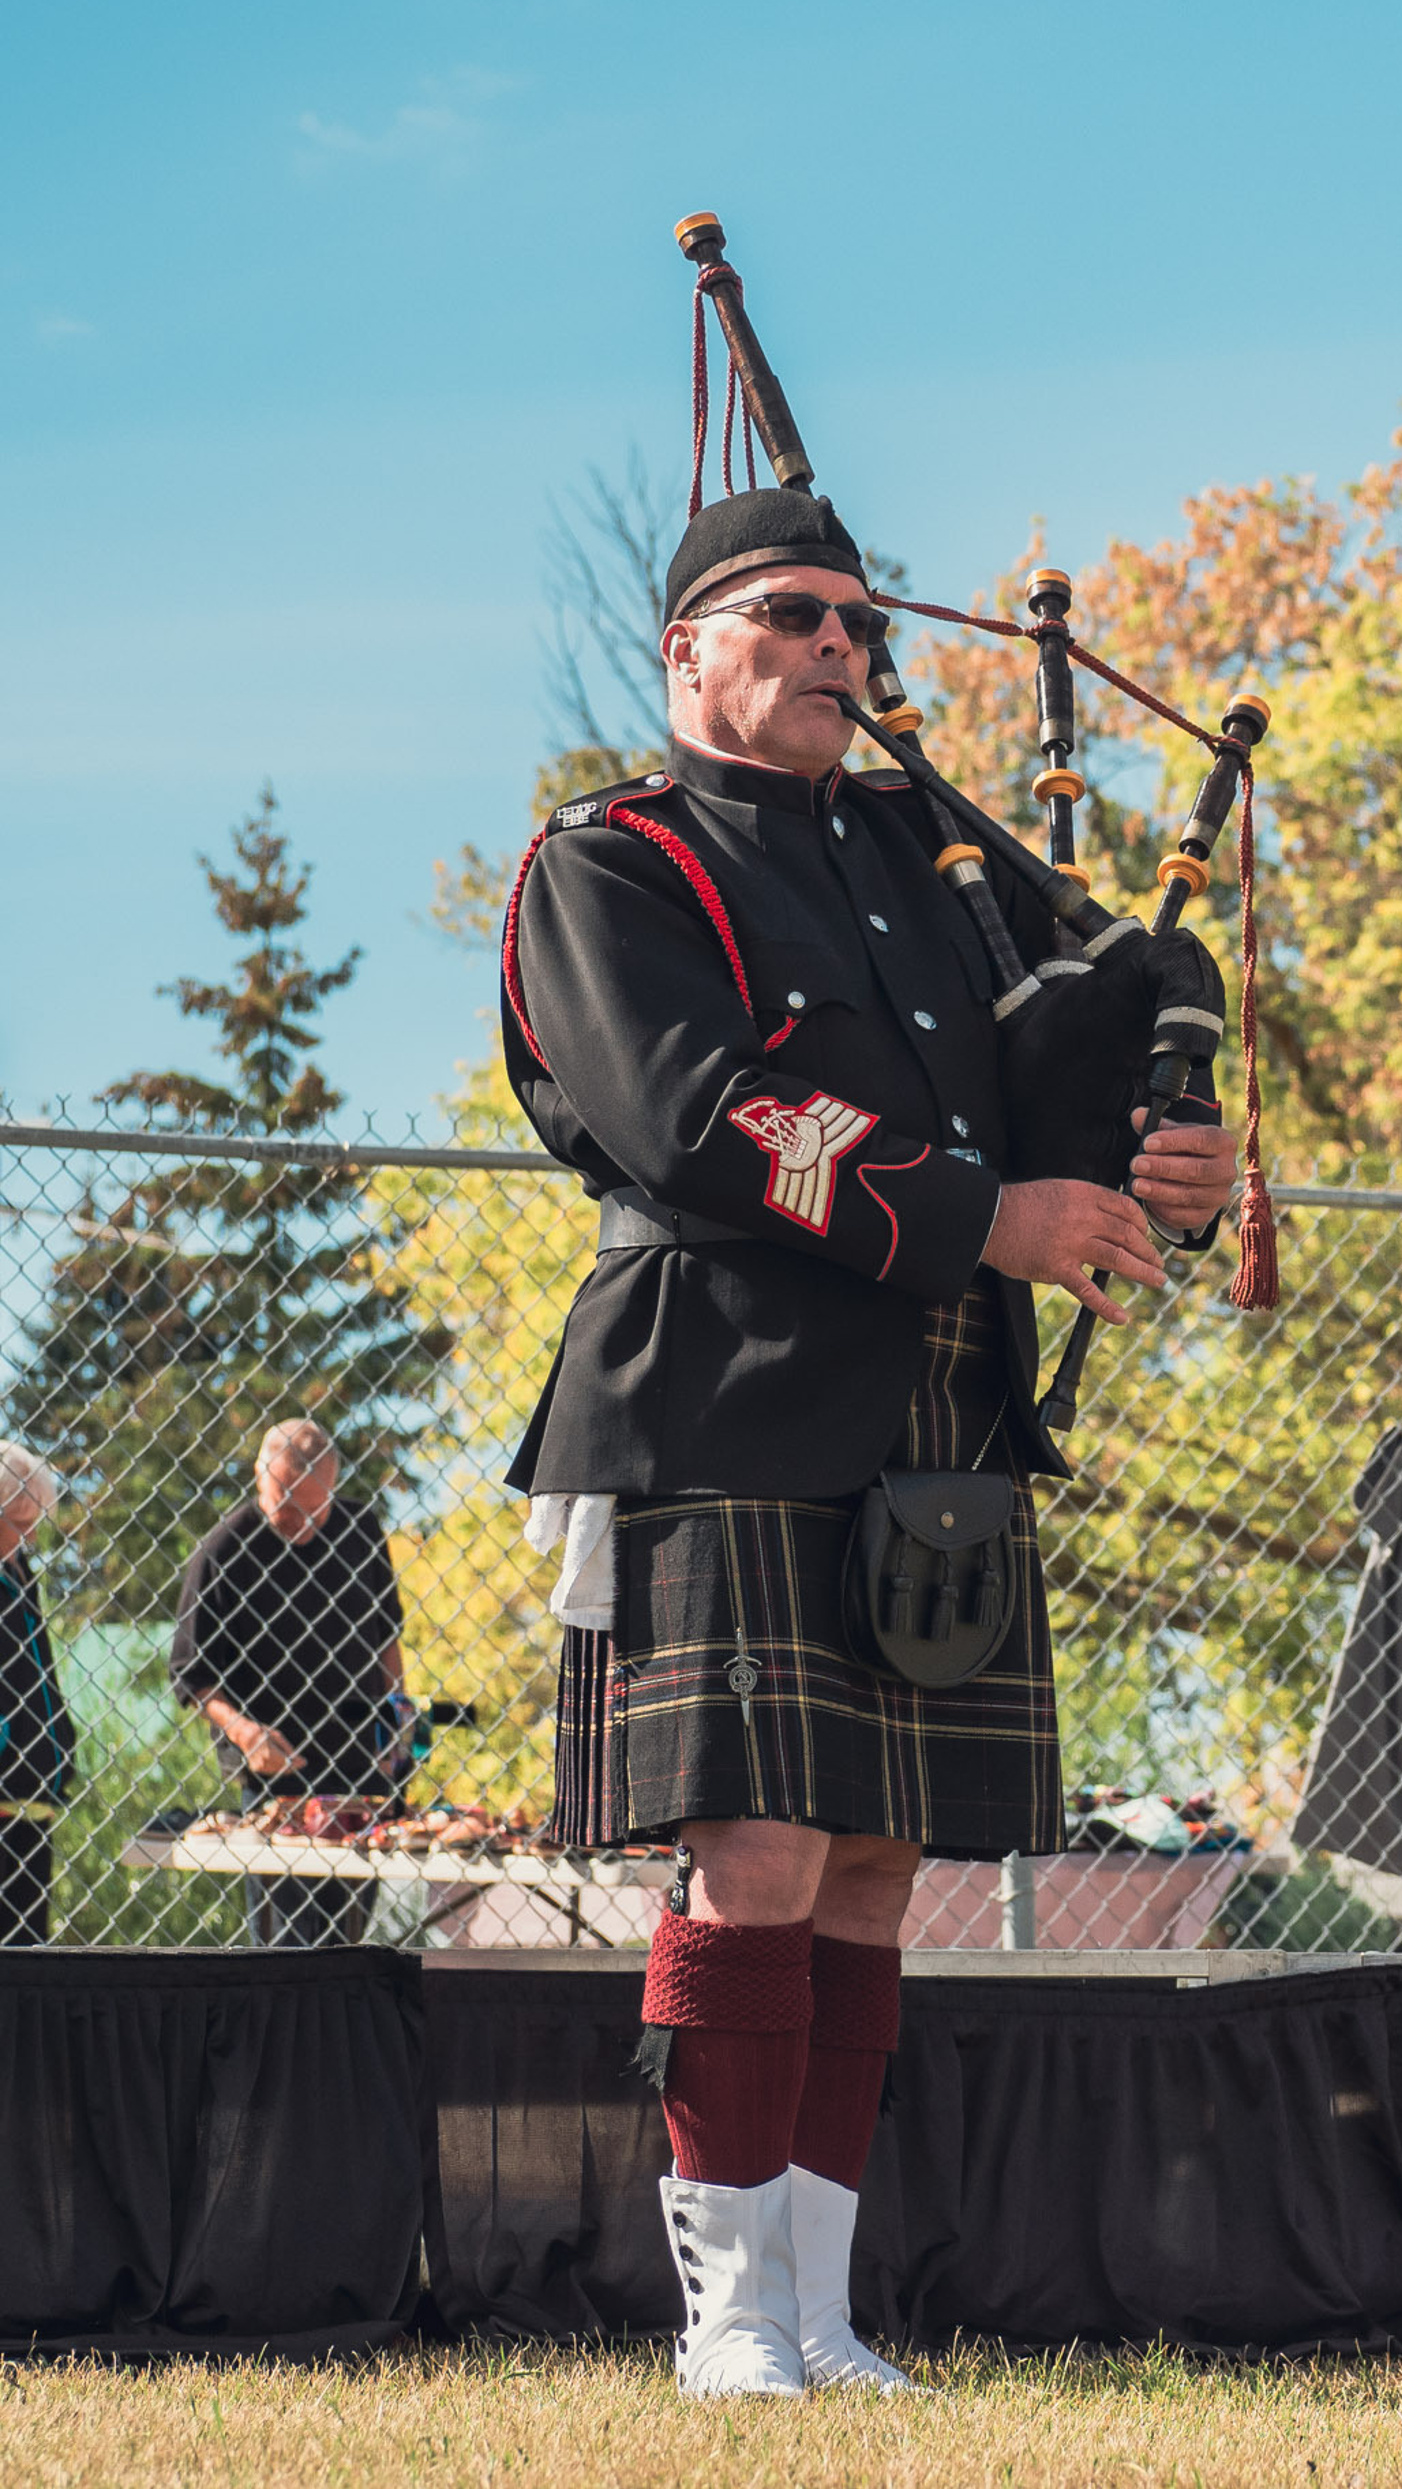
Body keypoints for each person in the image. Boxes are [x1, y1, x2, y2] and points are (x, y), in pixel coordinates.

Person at [499, 485, 1236, 2399]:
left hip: (938, 1406)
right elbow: (696, 1113)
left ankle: (823, 2313)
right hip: (723, 1387)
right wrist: (985, 1219)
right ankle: (729, 2322)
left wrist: (1177, 1136)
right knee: (755, 1848)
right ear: (689, 654)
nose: (840, 645)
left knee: (874, 1864)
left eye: (855, 617)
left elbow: (1103, 1005)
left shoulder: (935, 859)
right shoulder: (616, 863)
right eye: (792, 616)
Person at [171, 1418, 405, 1947]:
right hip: (279, 1782)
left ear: (334, 1489)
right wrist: (245, 1734)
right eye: (286, 1506)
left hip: (359, 1770)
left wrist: (400, 1721)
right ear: (259, 1476)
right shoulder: (223, 1550)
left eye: (314, 1510)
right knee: (285, 1946)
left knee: (351, 1943)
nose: (300, 1524)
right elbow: (191, 1672)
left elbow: (388, 1636)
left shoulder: (362, 1531)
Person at [0, 1441, 72, 1947]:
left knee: (29, 1953)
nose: (30, 1536)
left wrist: (60, 1745)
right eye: (19, 1523)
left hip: (32, 1796)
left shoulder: (19, 1574)